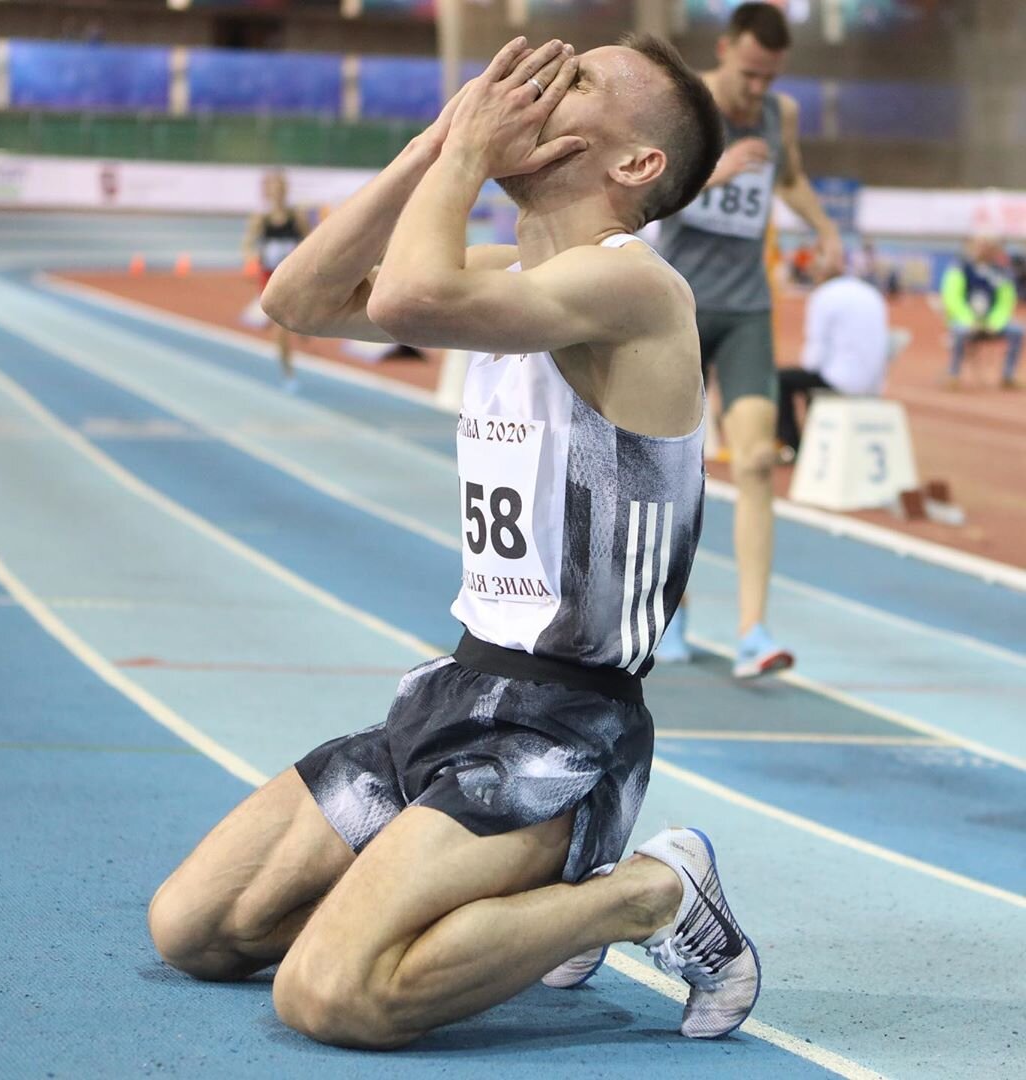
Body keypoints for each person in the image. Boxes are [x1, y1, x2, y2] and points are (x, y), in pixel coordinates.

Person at [148, 35, 761, 1050]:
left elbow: (404, 299)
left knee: (330, 996)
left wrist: (467, 156)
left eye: (577, 82)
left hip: (563, 733)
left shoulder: (638, 291)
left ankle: (652, 891)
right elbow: (296, 301)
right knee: (197, 929)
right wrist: (435, 142)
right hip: (451, 695)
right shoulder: (512, 273)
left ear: (635, 165)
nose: (535, 86)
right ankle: (514, 924)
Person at [654, 2, 842, 678]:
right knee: (673, 467)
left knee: (758, 459)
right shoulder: (685, 103)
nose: (759, 89)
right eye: (752, 73)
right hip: (678, 308)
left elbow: (787, 177)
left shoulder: (779, 114)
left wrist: (824, 228)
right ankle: (669, 613)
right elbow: (650, 188)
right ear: (728, 47)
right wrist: (718, 171)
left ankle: (753, 633)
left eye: (771, 77)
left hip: (747, 309)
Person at [776, 254, 890, 455]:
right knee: (813, 380)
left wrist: (809, 372)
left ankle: (793, 446)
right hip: (874, 383)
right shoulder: (870, 292)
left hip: (840, 379)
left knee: (780, 379)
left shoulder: (823, 296)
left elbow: (814, 354)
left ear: (819, 275)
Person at [242, 172, 311, 392]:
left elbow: (311, 240)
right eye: (274, 188)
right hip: (270, 277)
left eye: (281, 188)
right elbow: (247, 245)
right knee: (282, 327)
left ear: (286, 190)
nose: (278, 192)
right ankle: (288, 373)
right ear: (268, 191)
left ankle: (300, 326)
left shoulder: (296, 215)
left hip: (292, 274)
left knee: (298, 320)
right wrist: (252, 258)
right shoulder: (261, 218)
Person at [941, 236, 1023, 390]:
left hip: (992, 323)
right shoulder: (960, 268)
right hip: (965, 322)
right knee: (959, 332)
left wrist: (993, 322)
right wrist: (970, 321)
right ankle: (953, 375)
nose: (984, 249)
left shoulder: (1002, 272)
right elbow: (952, 298)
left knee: (1018, 331)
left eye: (988, 245)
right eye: (981, 245)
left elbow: (1005, 301)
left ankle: (1008, 376)